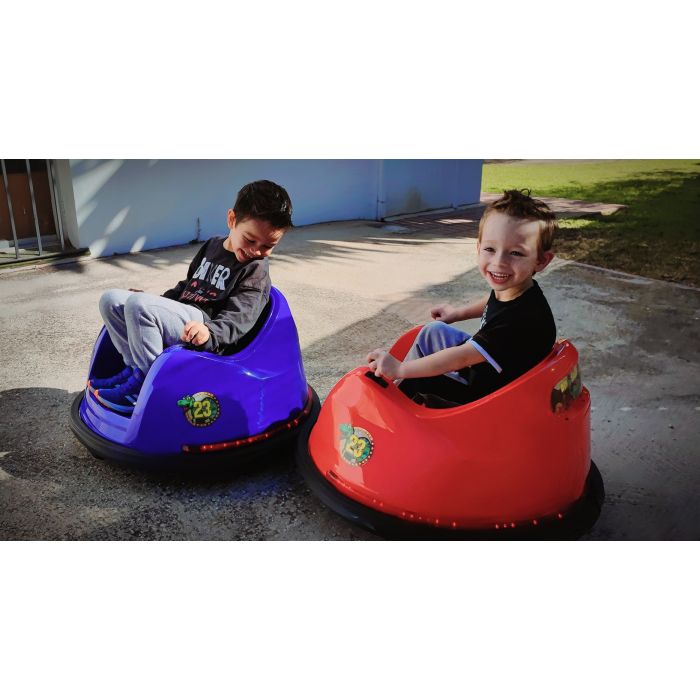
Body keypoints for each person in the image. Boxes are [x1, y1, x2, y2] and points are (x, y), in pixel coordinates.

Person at [90, 179, 293, 414]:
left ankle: (149, 387)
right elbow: (188, 286)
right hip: (183, 318)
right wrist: (155, 302)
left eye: (268, 245)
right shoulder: (212, 246)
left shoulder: (255, 270)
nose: (256, 251)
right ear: (232, 220)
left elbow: (241, 316)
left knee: (138, 305)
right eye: (250, 239)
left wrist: (211, 333)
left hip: (203, 329)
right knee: (112, 299)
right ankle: (135, 369)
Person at [367, 189, 557, 407]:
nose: (499, 262)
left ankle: (397, 406)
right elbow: (495, 301)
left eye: (516, 253)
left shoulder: (519, 320)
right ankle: (400, 387)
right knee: (433, 331)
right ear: (478, 248)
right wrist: (458, 314)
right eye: (490, 249)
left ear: (541, 261)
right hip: (486, 369)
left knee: (419, 378)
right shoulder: (519, 290)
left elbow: (463, 357)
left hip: (487, 397)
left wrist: (402, 369)